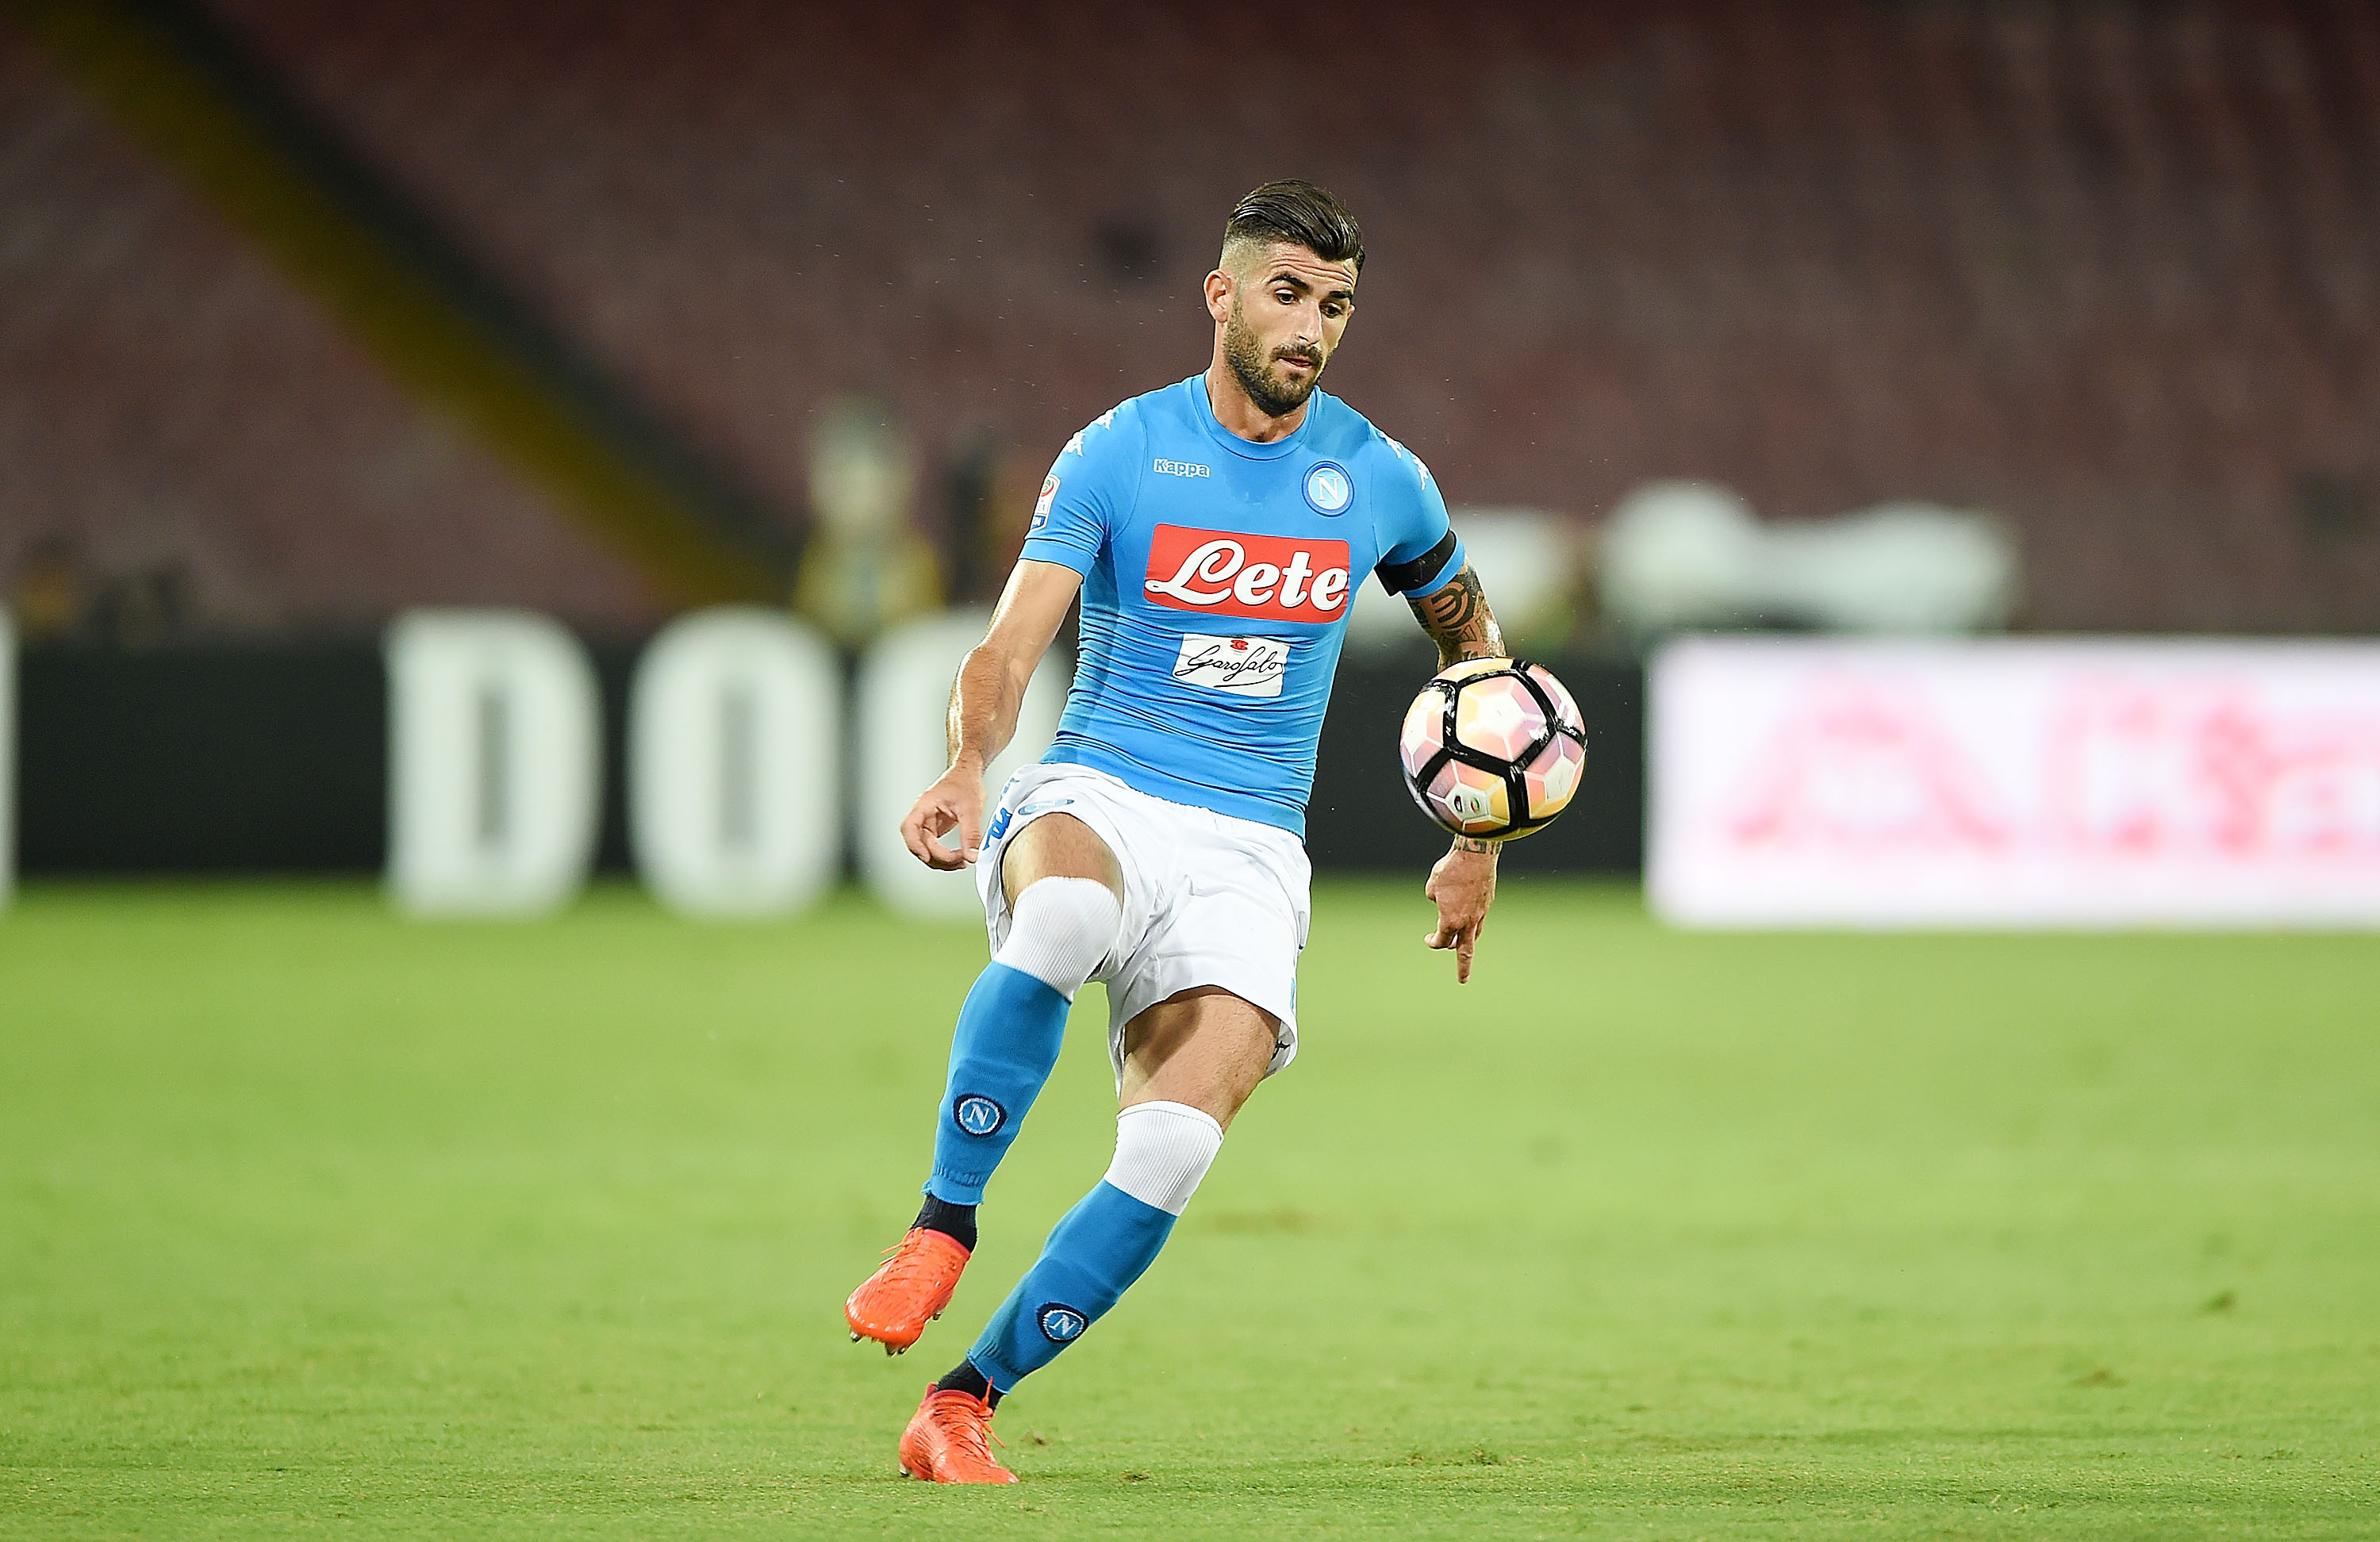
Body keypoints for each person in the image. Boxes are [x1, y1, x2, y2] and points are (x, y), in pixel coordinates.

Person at [845, 180, 1507, 1484]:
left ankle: (962, 1402)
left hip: (1251, 845)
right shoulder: (1120, 452)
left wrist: (1474, 836)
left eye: (1336, 306)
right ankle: (940, 1227)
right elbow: (1008, 647)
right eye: (1287, 294)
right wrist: (970, 763)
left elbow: (1473, 647)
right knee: (1067, 915)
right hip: (1105, 789)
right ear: (1220, 295)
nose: (1310, 328)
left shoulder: (1380, 478)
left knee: (1173, 1149)